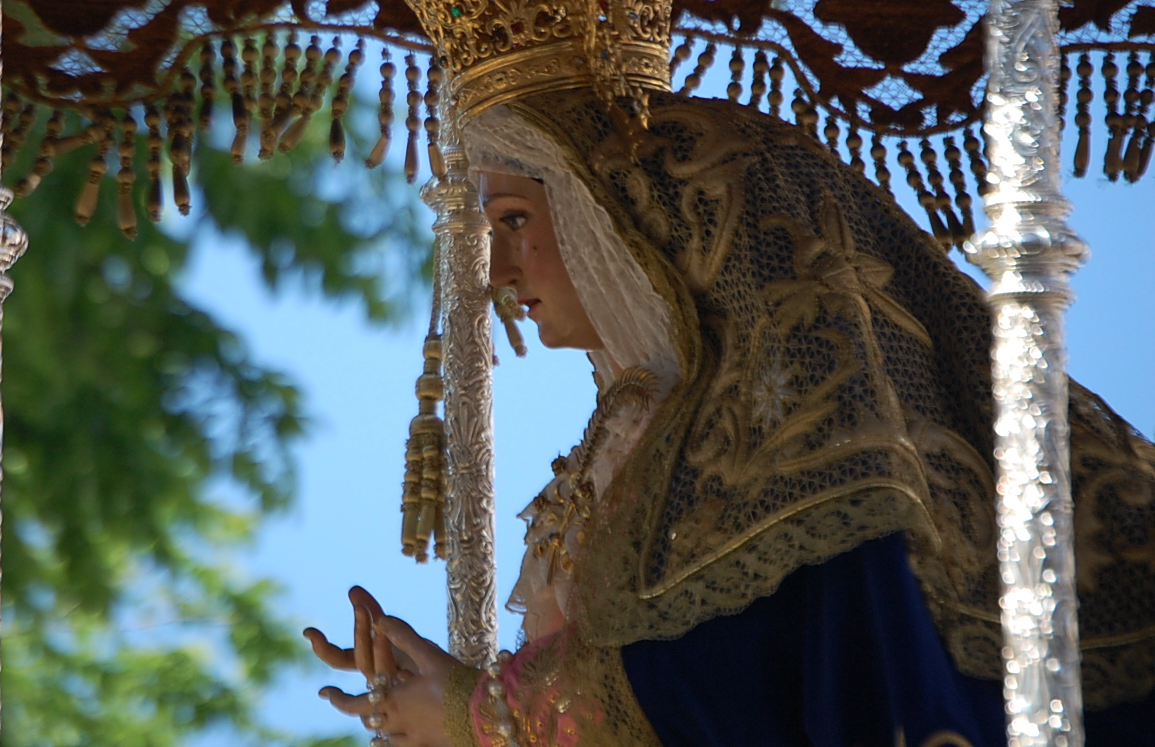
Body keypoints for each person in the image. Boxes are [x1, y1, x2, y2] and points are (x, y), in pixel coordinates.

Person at [306, 90, 1155, 747]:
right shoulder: (644, 443)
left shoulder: (815, 448)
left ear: (632, 225)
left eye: (517, 221)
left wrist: (487, 717)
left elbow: (728, 672)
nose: (493, 269)